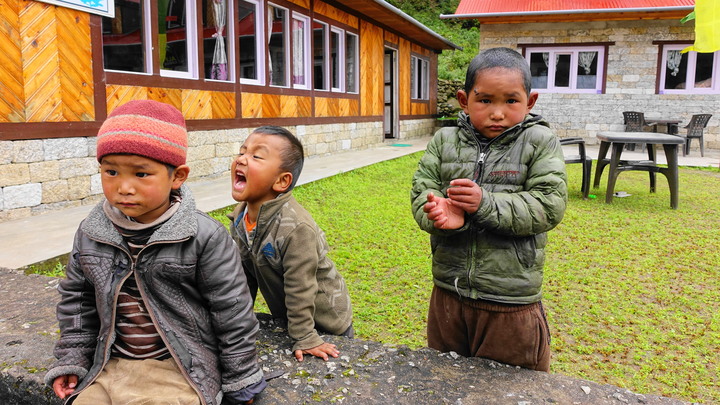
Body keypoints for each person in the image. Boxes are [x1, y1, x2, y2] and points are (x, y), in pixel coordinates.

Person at [44, 100, 265, 405]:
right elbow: (77, 302)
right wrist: (73, 360)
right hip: (109, 366)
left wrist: (241, 378)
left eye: (141, 174)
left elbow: (231, 312)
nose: (124, 187)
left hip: (179, 369)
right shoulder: (91, 233)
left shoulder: (203, 237)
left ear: (178, 176)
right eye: (111, 171)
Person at [410, 47, 568, 372]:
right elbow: (421, 192)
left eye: (511, 101)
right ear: (464, 100)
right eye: (485, 100)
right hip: (448, 296)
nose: (497, 113)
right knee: (443, 382)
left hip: (510, 304)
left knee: (511, 388)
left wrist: (484, 204)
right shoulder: (444, 141)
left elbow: (548, 204)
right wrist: (439, 215)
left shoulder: (540, 141)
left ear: (530, 101)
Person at [227, 125, 353, 362]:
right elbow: (243, 275)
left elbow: (301, 286)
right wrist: (237, 321)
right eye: (242, 152)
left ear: (282, 181)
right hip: (289, 317)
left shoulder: (296, 228)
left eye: (256, 156)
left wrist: (305, 337)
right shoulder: (239, 218)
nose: (242, 159)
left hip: (327, 320)